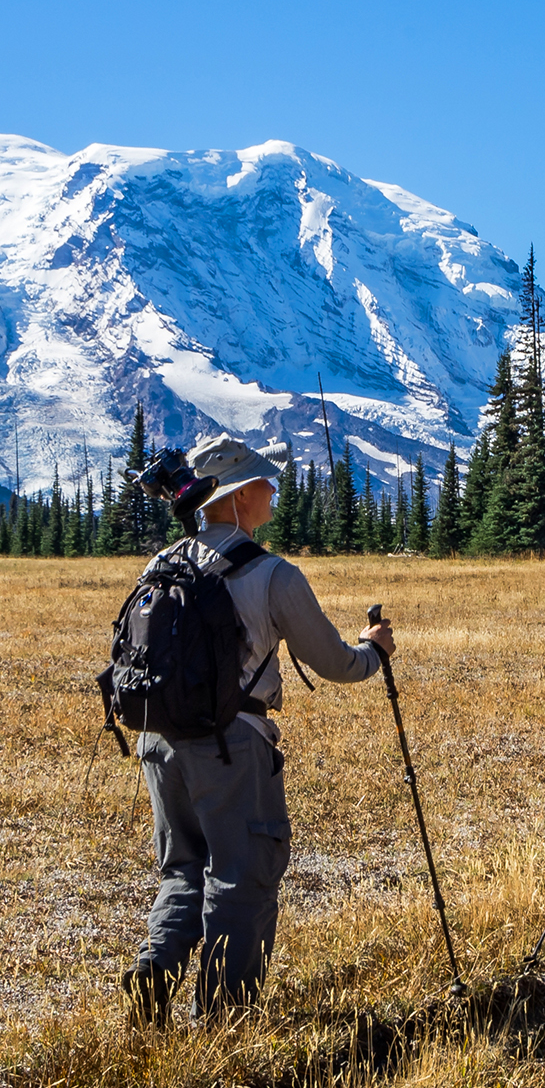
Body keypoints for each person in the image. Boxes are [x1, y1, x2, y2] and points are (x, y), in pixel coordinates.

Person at [123, 433, 393, 1026]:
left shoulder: (160, 564)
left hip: (158, 741)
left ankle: (156, 967)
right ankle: (224, 1021)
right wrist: (374, 651)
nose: (273, 488)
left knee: (184, 867)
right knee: (242, 874)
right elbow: (335, 663)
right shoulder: (271, 573)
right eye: (261, 481)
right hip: (232, 743)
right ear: (238, 495)